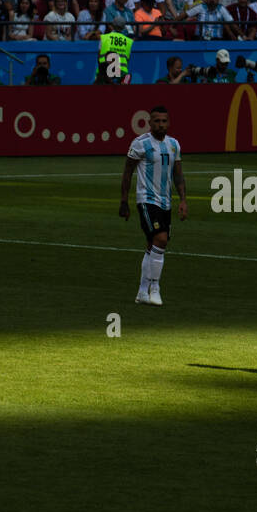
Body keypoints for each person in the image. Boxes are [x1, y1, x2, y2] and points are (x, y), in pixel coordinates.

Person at [120, 106, 188, 306]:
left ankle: (142, 291)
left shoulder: (174, 144)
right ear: (149, 123)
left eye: (164, 121)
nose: (160, 124)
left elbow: (178, 174)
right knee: (161, 239)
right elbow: (127, 172)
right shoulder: (140, 144)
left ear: (169, 122)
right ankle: (155, 288)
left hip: (166, 202)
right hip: (147, 200)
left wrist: (183, 200)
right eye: (156, 121)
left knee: (152, 246)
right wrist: (124, 201)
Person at [96, 17, 134, 84]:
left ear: (112, 25)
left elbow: (99, 56)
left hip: (104, 72)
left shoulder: (104, 38)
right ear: (123, 27)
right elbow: (128, 58)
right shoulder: (128, 41)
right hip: (121, 73)